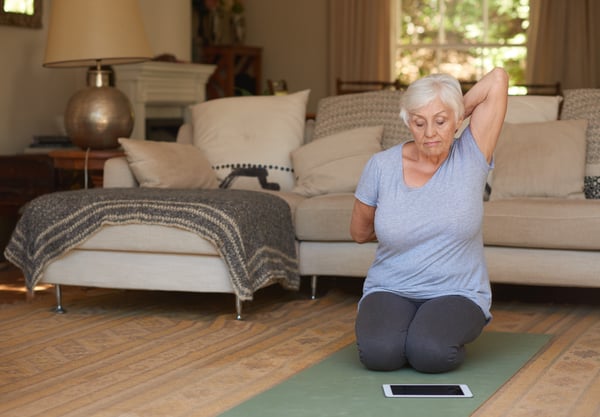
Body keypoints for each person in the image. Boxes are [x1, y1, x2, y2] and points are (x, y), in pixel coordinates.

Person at [350, 68, 508, 373]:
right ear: (408, 122)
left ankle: (422, 333)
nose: (430, 134)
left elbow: (498, 78)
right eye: (419, 122)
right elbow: (359, 233)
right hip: (391, 287)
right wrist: (399, 230)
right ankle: (407, 330)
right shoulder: (381, 166)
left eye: (440, 121)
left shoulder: (471, 154)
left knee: (431, 354)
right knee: (378, 355)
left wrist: (456, 109)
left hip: (457, 292)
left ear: (457, 119)